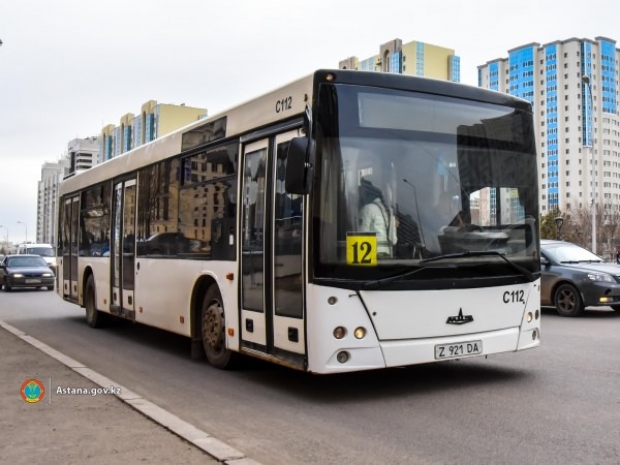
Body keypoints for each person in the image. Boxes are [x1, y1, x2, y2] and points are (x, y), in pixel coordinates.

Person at [359, 182, 398, 257]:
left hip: (373, 256)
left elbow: (361, 236)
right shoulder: (390, 212)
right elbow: (393, 241)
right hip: (388, 257)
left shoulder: (367, 209)